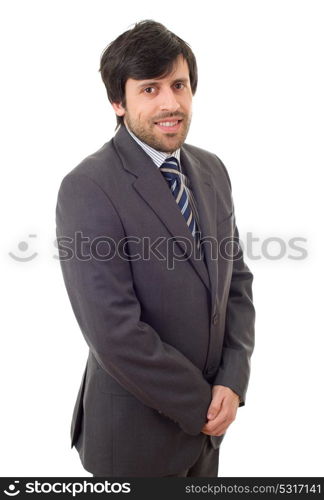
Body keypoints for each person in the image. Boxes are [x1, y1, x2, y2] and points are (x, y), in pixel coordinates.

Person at [55, 19, 255, 478]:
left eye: (179, 85)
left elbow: (236, 282)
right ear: (118, 102)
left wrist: (232, 379)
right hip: (134, 441)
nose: (171, 103)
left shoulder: (211, 169)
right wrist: (202, 402)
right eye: (150, 89)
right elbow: (113, 332)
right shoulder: (88, 187)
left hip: (208, 436)